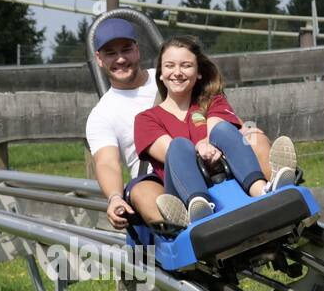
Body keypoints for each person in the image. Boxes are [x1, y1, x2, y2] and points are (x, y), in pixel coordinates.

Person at [86, 17, 284, 230]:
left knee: (255, 138)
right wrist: (115, 197)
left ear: (137, 50)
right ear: (99, 58)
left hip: (214, 150)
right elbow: (107, 163)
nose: (121, 59)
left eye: (126, 50)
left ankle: (273, 191)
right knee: (146, 188)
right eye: (111, 53)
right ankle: (183, 223)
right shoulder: (107, 114)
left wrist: (245, 132)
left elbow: (220, 116)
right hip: (160, 173)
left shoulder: (176, 75)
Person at [133, 36, 296, 227]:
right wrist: (200, 148)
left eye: (186, 65)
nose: (177, 72)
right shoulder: (146, 119)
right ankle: (197, 206)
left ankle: (262, 190)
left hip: (227, 180)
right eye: (170, 66)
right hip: (182, 190)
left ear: (198, 73)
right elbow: (169, 152)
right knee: (179, 146)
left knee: (230, 131)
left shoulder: (212, 101)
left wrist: (212, 142)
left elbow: (218, 125)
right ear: (161, 73)